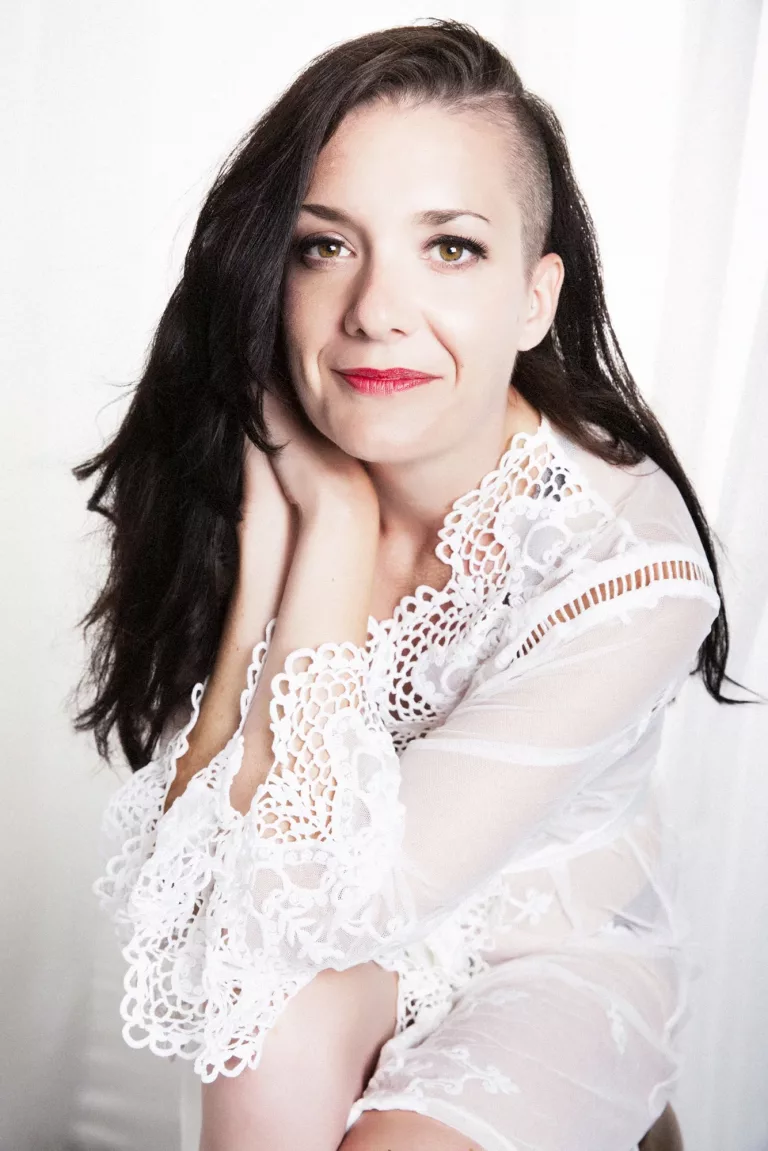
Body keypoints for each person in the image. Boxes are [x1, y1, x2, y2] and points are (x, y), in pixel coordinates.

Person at [74, 18, 759, 1151]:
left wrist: (327, 538)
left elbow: (336, 895)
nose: (376, 309)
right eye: (323, 245)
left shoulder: (624, 568)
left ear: (536, 297)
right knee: (257, 1010)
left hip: (550, 951)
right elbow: (193, 896)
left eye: (450, 247)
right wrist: (310, 537)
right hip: (335, 953)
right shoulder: (274, 467)